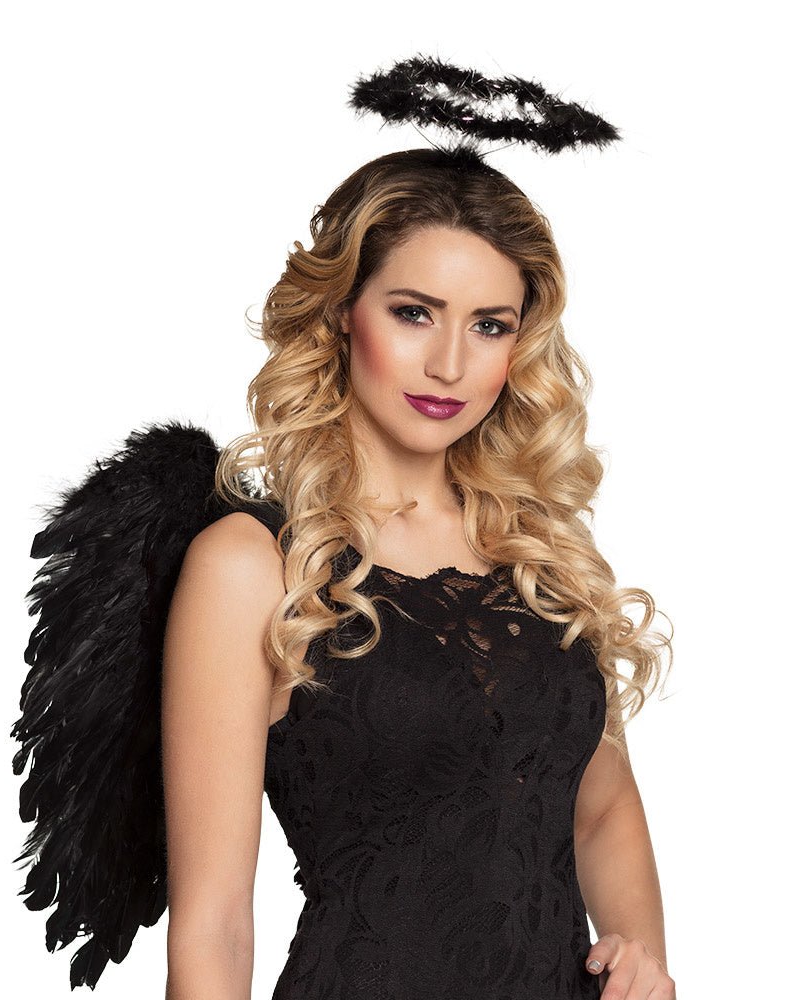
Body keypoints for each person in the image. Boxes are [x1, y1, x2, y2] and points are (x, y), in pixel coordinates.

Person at [159, 146, 675, 999]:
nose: (450, 365)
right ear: (340, 313)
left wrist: (641, 961)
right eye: (413, 313)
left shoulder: (538, 552)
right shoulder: (254, 565)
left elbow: (600, 809)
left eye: (489, 325)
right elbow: (214, 926)